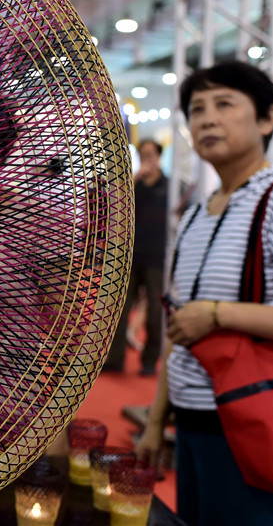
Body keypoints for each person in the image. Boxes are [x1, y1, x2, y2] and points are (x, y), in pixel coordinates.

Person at [135, 61, 273, 525]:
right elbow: (179, 330)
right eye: (196, 109)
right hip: (193, 423)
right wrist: (156, 422)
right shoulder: (196, 215)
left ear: (267, 119)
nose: (207, 119)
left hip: (257, 422)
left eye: (224, 104)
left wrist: (217, 314)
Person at [104, 139, 167, 375]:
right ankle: (115, 358)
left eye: (151, 154)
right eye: (143, 155)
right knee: (120, 308)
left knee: (155, 312)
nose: (147, 159)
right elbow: (115, 206)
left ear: (159, 156)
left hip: (157, 258)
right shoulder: (133, 185)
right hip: (130, 256)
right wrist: (135, 178)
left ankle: (150, 360)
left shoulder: (169, 186)